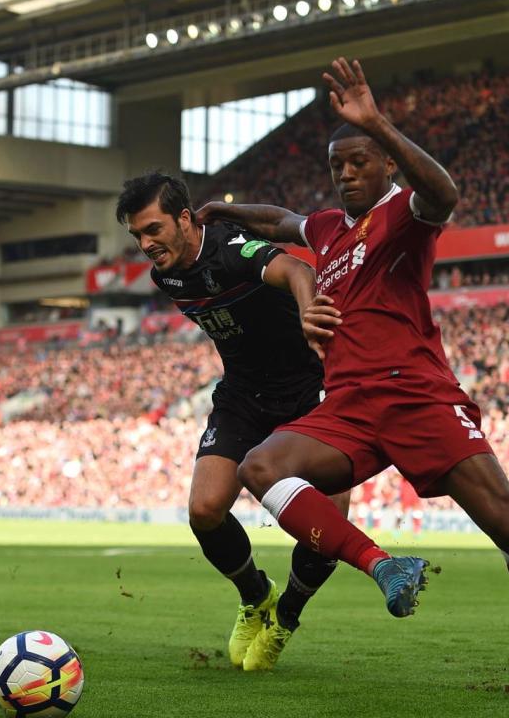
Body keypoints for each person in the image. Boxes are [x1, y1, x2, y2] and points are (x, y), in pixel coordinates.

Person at [197, 57, 509, 694]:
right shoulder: (330, 231)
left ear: (386, 164)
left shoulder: (402, 217)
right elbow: (281, 220)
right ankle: (384, 566)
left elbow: (444, 194)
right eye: (337, 166)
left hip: (418, 396)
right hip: (349, 406)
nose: (345, 174)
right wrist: (220, 214)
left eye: (359, 161)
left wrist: (377, 122)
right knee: (260, 467)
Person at [116, 172, 349, 671]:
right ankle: (257, 597)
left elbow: (298, 272)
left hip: (310, 392)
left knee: (327, 532)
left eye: (153, 229)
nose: (146, 243)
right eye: (137, 235)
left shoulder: (232, 249)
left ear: (185, 219)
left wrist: (310, 319)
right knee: (204, 509)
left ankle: (286, 618)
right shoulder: (166, 275)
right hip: (244, 395)